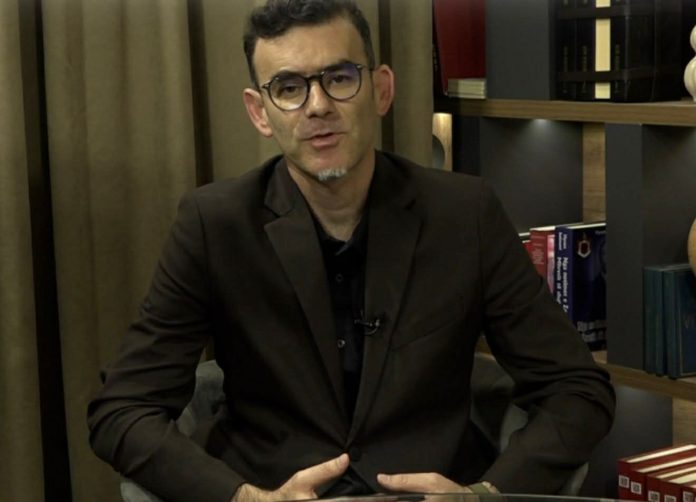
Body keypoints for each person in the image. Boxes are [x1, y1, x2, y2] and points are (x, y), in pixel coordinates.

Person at [87, 1, 616, 501]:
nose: (318, 106)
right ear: (260, 112)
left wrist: (486, 495)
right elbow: (121, 410)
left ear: (381, 90)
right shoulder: (214, 224)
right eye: (289, 88)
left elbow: (578, 388)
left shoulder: (465, 214)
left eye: (339, 78)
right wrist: (243, 497)